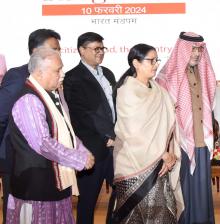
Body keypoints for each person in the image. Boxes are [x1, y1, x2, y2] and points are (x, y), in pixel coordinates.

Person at [6, 47, 94, 224]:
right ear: (39, 73)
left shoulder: (51, 95)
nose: (62, 74)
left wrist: (83, 151)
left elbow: (65, 132)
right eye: (57, 70)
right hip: (35, 188)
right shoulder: (29, 100)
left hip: (55, 183)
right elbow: (43, 143)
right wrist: (78, 159)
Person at [112, 43, 183, 223]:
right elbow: (133, 134)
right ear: (136, 63)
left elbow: (168, 125)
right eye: (151, 61)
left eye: (157, 60)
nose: (156, 64)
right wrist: (162, 154)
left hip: (160, 165)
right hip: (134, 166)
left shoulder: (159, 90)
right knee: (137, 216)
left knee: (163, 214)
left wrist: (171, 154)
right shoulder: (127, 91)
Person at [0, 29, 61, 223]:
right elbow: (1, 115)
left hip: (47, 160)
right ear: (35, 51)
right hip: (18, 160)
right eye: (54, 49)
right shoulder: (17, 76)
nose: (58, 54)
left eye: (59, 49)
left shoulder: (55, 78)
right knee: (19, 212)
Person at [156, 32, 216, 224]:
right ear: (182, 49)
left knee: (201, 190)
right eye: (192, 49)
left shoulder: (204, 72)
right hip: (179, 143)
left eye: (199, 49)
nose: (197, 53)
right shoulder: (167, 77)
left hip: (201, 142)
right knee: (183, 191)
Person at [63, 32, 116, 224]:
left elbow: (114, 109)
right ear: (81, 51)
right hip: (91, 150)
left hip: (116, 148)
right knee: (87, 201)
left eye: (102, 48)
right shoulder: (72, 78)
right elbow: (81, 115)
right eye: (96, 49)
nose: (100, 52)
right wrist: (106, 137)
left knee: (121, 194)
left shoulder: (108, 73)